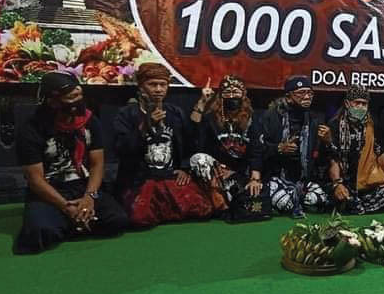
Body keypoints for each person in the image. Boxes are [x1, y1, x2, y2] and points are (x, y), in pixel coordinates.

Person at [15, 72, 129, 254]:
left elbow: (97, 164)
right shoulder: (31, 128)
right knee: (40, 232)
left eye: (79, 95)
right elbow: (35, 180)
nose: (77, 102)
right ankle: (76, 220)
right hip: (50, 189)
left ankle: (73, 221)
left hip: (83, 185)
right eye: (71, 98)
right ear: (52, 101)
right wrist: (66, 207)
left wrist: (90, 197)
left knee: (118, 220)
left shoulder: (90, 121)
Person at [113, 62, 213, 226]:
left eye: (163, 85)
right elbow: (122, 149)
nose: (158, 89)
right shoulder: (127, 115)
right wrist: (146, 126)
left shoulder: (174, 113)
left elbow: (190, 141)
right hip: (141, 180)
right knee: (139, 217)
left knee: (202, 208)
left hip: (169, 176)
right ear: (141, 86)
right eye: (152, 84)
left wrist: (184, 168)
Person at [188, 75, 271, 222]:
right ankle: (220, 205)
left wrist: (255, 179)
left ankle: (225, 202)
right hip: (216, 172)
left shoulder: (252, 120)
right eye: (227, 93)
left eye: (236, 92)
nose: (232, 96)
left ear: (243, 95)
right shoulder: (211, 118)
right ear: (221, 96)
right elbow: (194, 132)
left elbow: (256, 151)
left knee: (251, 199)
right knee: (198, 159)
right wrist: (202, 102)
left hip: (239, 175)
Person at [261, 75, 331, 219]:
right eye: (301, 93)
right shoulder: (272, 117)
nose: (307, 97)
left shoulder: (314, 120)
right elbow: (257, 150)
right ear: (288, 97)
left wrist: (327, 142)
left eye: (310, 93)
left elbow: (322, 160)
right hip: (276, 176)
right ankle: (288, 198)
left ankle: (296, 197)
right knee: (286, 204)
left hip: (303, 180)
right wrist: (279, 148)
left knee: (318, 200)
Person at [327, 85, 384, 214]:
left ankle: (355, 206)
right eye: (357, 103)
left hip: (366, 184)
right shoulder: (334, 125)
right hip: (342, 182)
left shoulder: (372, 124)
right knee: (317, 198)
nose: (361, 107)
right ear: (347, 103)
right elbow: (333, 158)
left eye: (364, 104)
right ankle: (353, 204)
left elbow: (380, 151)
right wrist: (337, 183)